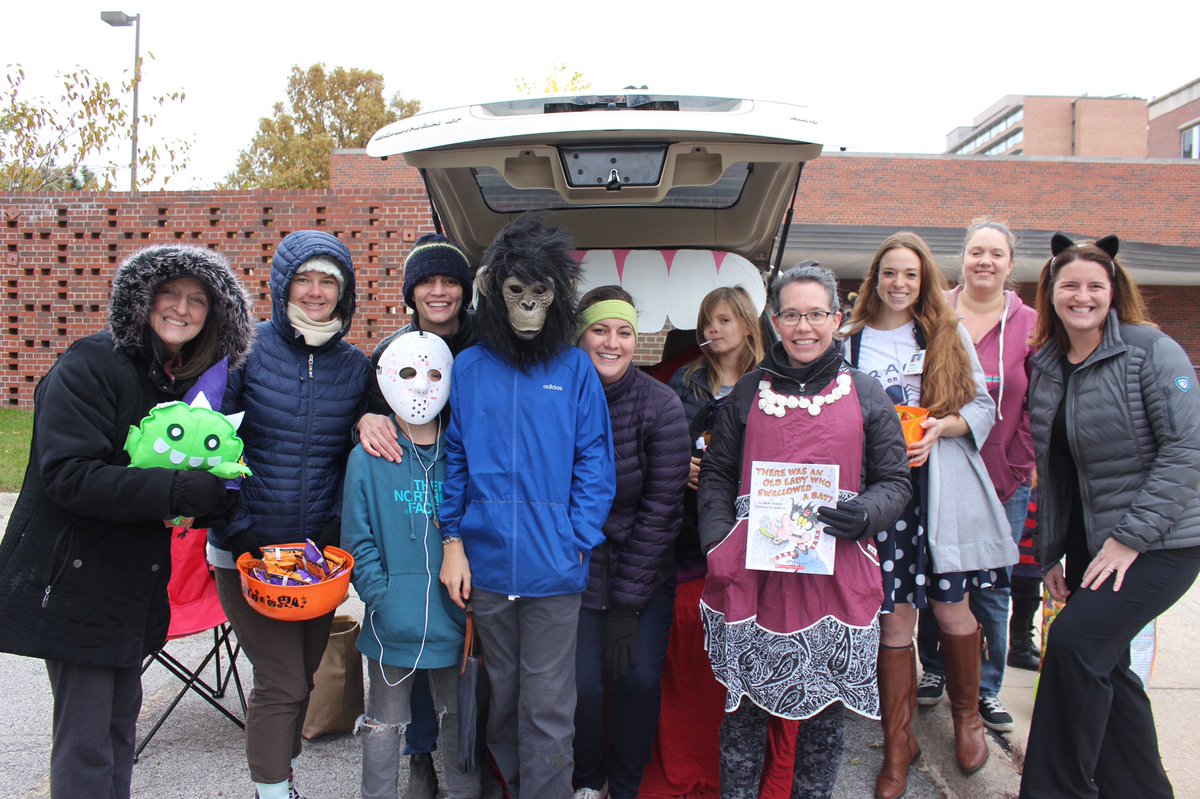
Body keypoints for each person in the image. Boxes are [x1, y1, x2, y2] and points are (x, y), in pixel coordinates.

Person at [0, 245, 254, 799]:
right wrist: (176, 489)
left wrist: (209, 500)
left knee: (118, 732)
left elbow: (157, 476)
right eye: (171, 294)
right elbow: (68, 475)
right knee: (87, 746)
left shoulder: (168, 385)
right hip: (76, 584)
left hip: (128, 589)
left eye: (198, 301)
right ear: (141, 299)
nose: (183, 309)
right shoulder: (90, 365)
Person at [698, 264, 911, 799]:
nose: (804, 327)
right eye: (792, 315)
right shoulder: (747, 393)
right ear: (774, 321)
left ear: (837, 320)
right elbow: (718, 477)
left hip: (833, 581)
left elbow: (895, 481)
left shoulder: (866, 392)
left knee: (823, 725)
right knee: (743, 721)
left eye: (816, 314)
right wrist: (719, 542)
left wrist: (865, 514)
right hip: (753, 580)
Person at [438, 214, 615, 799]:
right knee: (505, 701)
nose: (528, 308)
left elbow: (595, 460)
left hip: (554, 572)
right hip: (486, 569)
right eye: (517, 293)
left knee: (547, 708)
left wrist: (574, 536)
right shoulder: (468, 370)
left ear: (557, 297)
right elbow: (455, 459)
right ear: (497, 292)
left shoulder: (574, 369)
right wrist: (453, 540)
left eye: (540, 295)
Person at [1018, 234, 1200, 799]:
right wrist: (1052, 553)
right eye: (1070, 285)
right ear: (1051, 293)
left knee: (1073, 644)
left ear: (1113, 291)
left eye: (1095, 285)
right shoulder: (1046, 366)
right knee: (1106, 666)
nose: (1082, 295)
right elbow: (1057, 470)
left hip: (1163, 542)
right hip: (1090, 547)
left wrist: (1127, 540)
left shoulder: (1150, 350)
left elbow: (1186, 448)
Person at [843, 232, 1017, 799]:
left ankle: (966, 718)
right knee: (894, 619)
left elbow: (982, 406)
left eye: (911, 275)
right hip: (882, 495)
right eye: (889, 273)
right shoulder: (849, 341)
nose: (899, 284)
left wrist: (944, 427)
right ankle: (899, 742)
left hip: (936, 489)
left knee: (951, 607)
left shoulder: (945, 332)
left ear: (924, 281)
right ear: (875, 278)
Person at [208, 230, 371, 799]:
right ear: (282, 285)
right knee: (279, 681)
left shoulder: (356, 369)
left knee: (302, 679)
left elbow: (359, 454)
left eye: (329, 280)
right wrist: (237, 529)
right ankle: (273, 790)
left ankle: (280, 773)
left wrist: (333, 532)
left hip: (313, 562)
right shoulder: (243, 350)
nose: (316, 291)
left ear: (345, 291)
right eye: (305, 278)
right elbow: (214, 448)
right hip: (246, 553)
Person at [356, 232, 476, 799]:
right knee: (407, 690)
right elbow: (368, 407)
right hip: (400, 553)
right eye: (426, 281)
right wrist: (364, 420)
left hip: (457, 538)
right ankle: (418, 759)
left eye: (449, 279)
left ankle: (465, 774)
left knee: (459, 688)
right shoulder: (392, 353)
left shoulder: (483, 349)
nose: (438, 290)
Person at [641, 286, 765, 799]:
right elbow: (663, 443)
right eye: (706, 322)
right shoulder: (685, 380)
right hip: (688, 529)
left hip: (750, 527)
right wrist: (681, 466)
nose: (712, 331)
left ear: (747, 325)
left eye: (722, 321)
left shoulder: (769, 384)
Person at [916, 219, 1038, 730]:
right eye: (975, 252)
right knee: (934, 574)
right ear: (962, 258)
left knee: (991, 586)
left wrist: (1019, 464)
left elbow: (1039, 403)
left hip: (1002, 475)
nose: (984, 262)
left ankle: (987, 688)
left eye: (996, 254)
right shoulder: (933, 310)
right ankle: (937, 670)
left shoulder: (1032, 323)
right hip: (939, 474)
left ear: (1011, 264)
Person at [571, 286, 691, 799]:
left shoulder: (660, 405)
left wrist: (624, 605)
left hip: (641, 571)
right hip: (574, 568)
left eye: (623, 332)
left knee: (637, 682)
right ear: (579, 337)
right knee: (582, 687)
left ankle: (623, 785)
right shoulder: (558, 397)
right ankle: (585, 781)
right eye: (600, 330)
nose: (612, 342)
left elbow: (663, 511)